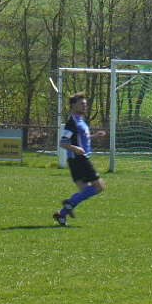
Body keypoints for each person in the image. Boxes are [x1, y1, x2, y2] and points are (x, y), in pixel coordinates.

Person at [53, 92, 106, 226]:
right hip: (80, 159)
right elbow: (63, 142)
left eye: (85, 104)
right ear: (73, 105)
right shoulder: (72, 122)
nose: (84, 106)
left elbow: (81, 138)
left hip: (75, 161)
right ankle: (70, 202)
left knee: (85, 190)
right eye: (81, 104)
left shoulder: (80, 121)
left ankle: (62, 214)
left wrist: (94, 136)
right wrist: (76, 149)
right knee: (99, 186)